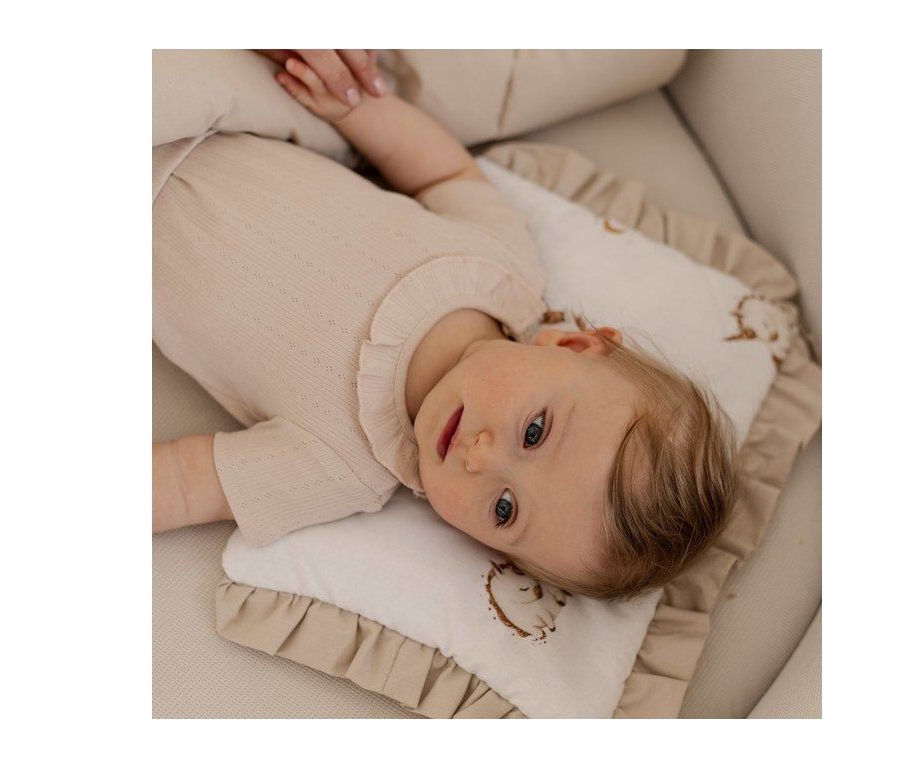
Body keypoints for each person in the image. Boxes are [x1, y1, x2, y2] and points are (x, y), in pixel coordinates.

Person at [152, 49, 737, 600]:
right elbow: (442, 174)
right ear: (573, 344)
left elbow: (181, 483)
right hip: (218, 115)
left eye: (504, 509)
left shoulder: (341, 468)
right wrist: (358, 112)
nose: (482, 460)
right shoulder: (503, 265)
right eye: (534, 432)